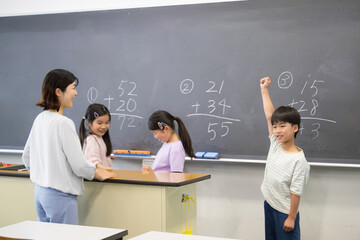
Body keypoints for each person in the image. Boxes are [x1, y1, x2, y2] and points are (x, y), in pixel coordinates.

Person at [22, 69, 117, 225]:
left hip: (40, 193)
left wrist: (45, 176)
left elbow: (26, 157)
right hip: (60, 197)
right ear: (59, 91)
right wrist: (97, 173)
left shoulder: (40, 118)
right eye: (73, 88)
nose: (76, 93)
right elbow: (79, 165)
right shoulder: (63, 123)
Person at [260, 76, 310, 240]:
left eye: (283, 126)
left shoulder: (298, 161)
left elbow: (296, 192)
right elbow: (270, 115)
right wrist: (264, 90)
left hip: (285, 212)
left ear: (295, 128)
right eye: (275, 127)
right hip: (269, 204)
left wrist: (292, 217)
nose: (277, 130)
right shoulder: (275, 144)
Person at [79, 103, 113, 168]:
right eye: (99, 123)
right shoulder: (92, 139)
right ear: (88, 123)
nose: (103, 126)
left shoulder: (99, 138)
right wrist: (107, 170)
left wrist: (105, 158)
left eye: (107, 122)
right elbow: (92, 161)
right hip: (97, 177)